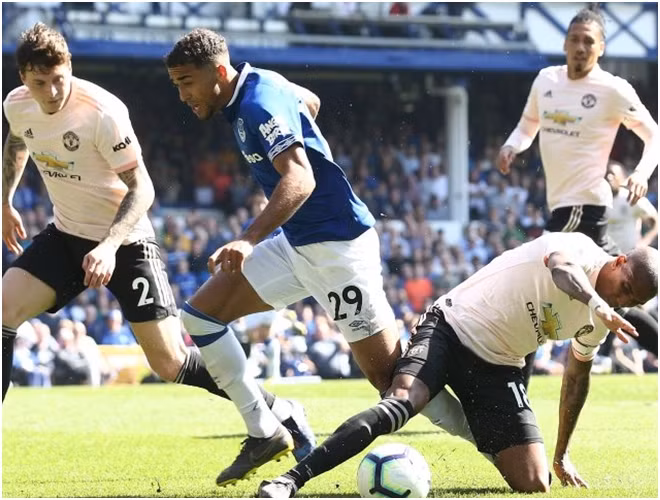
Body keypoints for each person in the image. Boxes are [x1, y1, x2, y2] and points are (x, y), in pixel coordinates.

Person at [165, 28, 474, 486]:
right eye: (176, 85)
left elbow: (301, 179)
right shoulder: (260, 88)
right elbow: (309, 101)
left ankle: (490, 437)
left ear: (219, 72)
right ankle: (266, 429)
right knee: (200, 318)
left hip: (338, 249)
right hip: (297, 243)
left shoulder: (257, 103)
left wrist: (248, 239)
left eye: (187, 82)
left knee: (392, 379)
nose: (182, 95)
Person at [1, 22, 314, 468]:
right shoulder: (16, 105)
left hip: (127, 242)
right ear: (23, 79)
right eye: (39, 83)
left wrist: (109, 246)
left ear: (70, 67)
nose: (51, 92)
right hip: (67, 234)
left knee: (170, 363)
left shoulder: (102, 111)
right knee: (3, 312)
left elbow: (143, 188)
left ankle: (279, 410)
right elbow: (17, 141)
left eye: (58, 79)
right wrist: (6, 200)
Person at [258, 233, 658, 497]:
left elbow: (575, 380)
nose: (622, 301)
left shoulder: (604, 320)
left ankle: (454, 412)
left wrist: (561, 454)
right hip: (451, 327)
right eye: (625, 288)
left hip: (498, 365)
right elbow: (561, 270)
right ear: (619, 261)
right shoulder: (581, 250)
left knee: (535, 481)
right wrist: (598, 305)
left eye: (632, 301)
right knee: (401, 402)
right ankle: (290, 480)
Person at [495, 5, 659, 380]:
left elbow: (654, 135)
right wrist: (512, 146)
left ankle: (516, 390)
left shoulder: (612, 89)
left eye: (589, 41)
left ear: (601, 48)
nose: (581, 48)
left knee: (536, 284)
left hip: (583, 205)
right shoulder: (546, 81)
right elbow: (528, 125)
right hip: (565, 205)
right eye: (574, 40)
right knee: (619, 296)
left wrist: (641, 173)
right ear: (565, 44)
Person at [606, 161, 658, 253]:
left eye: (613, 174)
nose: (609, 177)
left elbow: (656, 221)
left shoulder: (632, 198)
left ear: (622, 177)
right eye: (607, 174)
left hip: (630, 254)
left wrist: (645, 241)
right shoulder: (599, 201)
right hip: (607, 255)